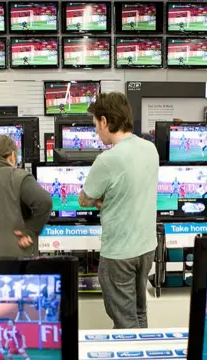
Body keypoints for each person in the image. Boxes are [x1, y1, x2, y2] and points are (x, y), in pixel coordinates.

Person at [78, 92, 158, 329]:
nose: (96, 132)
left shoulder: (107, 160)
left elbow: (84, 199)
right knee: (139, 313)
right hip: (146, 247)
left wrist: (101, 199)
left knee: (125, 321)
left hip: (120, 253)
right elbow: (132, 189)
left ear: (104, 121)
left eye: (96, 125)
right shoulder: (149, 149)